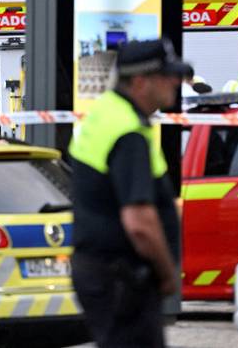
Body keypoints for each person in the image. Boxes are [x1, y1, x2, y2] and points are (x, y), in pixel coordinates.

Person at [70, 38, 188, 348]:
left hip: (102, 272)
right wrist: (167, 273)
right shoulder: (128, 132)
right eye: (167, 75)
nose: (175, 82)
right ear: (140, 82)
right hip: (123, 278)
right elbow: (140, 223)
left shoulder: (106, 113)